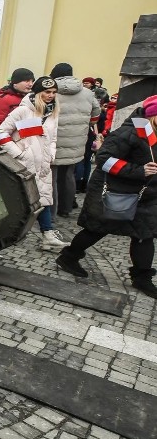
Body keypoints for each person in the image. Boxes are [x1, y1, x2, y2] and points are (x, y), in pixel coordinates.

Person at [55, 95, 157, 298]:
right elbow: (103, 159)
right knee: (97, 228)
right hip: (114, 190)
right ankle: (69, 257)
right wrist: (138, 170)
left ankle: (142, 277)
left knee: (143, 235)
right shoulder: (130, 132)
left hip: (145, 195)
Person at [0, 76, 68, 251]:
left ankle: (47, 234)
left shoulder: (52, 113)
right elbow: (1, 133)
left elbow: (53, 137)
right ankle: (2, 232)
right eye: (47, 92)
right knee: (20, 199)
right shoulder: (23, 111)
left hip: (43, 163)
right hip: (25, 162)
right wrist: (19, 154)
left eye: (54, 93)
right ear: (37, 92)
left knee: (43, 198)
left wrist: (51, 154)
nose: (51, 96)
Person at [50, 62, 101, 217]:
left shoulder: (49, 91)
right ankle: (65, 209)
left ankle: (50, 211)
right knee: (68, 175)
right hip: (76, 142)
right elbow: (96, 115)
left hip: (53, 141)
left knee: (51, 177)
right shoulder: (87, 92)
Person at [0, 68, 35, 148]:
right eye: (27, 81)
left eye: (32, 81)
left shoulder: (28, 99)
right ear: (15, 83)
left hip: (21, 148)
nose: (30, 84)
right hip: (6, 148)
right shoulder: (3, 100)